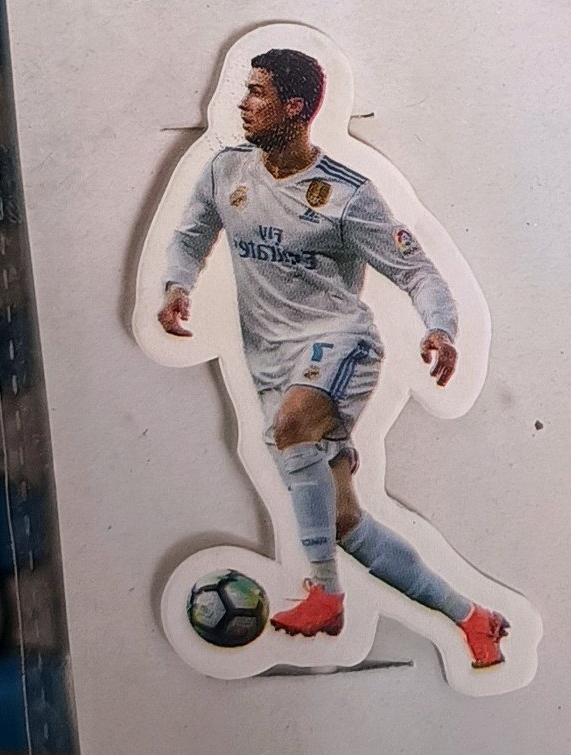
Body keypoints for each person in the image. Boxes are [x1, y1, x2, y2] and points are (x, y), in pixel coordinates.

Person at [158, 48, 509, 666]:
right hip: (270, 362)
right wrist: (176, 288)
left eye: (258, 93)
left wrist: (441, 328)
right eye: (247, 90)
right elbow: (191, 235)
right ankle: (473, 619)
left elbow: (417, 270)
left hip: (342, 344)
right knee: (345, 525)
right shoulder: (226, 170)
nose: (243, 103)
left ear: (294, 107)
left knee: (292, 426)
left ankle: (324, 594)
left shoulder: (346, 195)